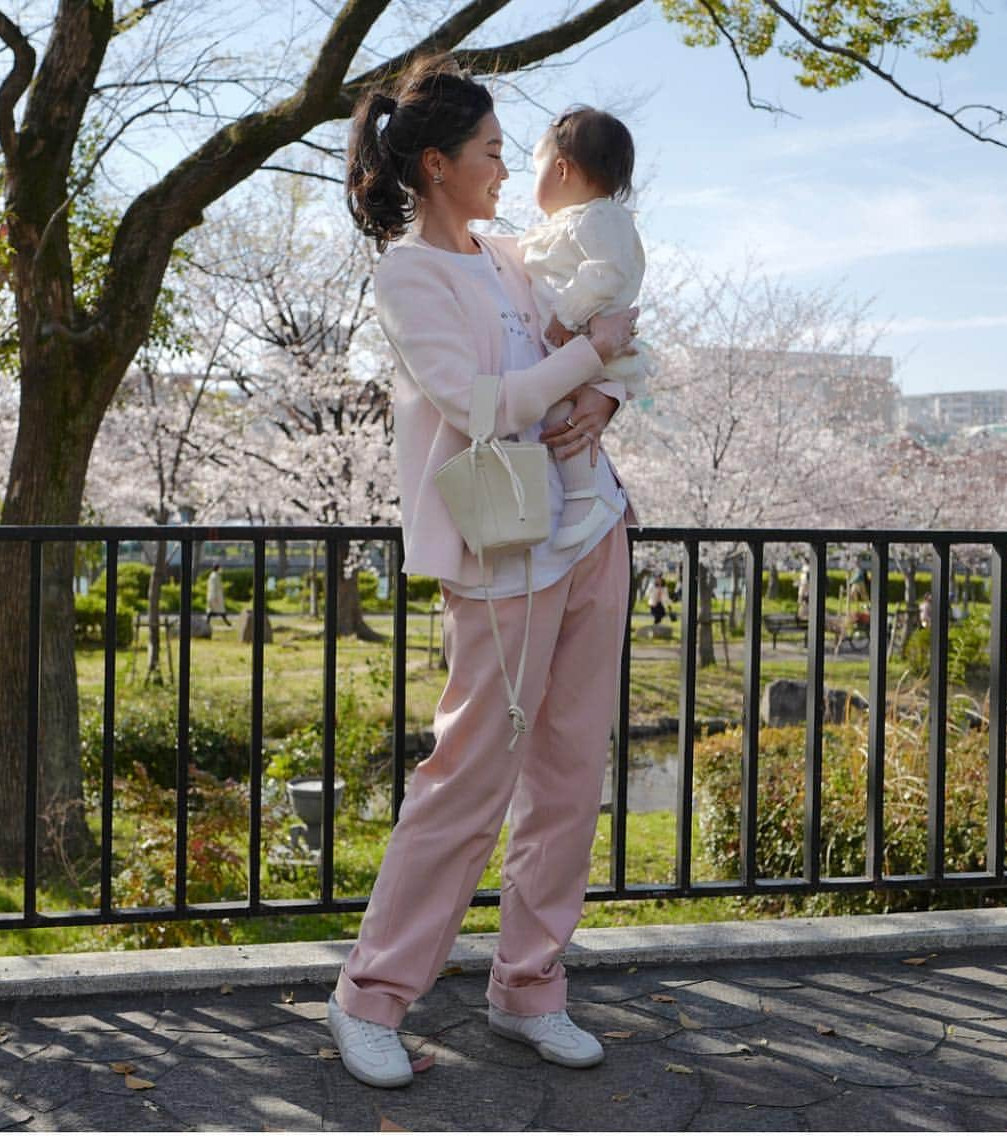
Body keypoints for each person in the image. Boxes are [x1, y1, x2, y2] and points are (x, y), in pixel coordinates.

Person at [331, 56, 637, 1089]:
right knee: (466, 776)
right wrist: (586, 363)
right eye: (493, 153)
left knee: (569, 773)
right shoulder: (408, 273)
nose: (511, 168)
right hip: (503, 550)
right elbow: (477, 400)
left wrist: (607, 397)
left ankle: (529, 986)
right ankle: (372, 992)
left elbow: (611, 333)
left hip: (595, 524)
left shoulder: (512, 254)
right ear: (435, 163)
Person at [518, 108, 653, 549]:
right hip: (581, 350)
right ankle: (585, 496)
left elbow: (606, 274)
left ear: (561, 168)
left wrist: (566, 314)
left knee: (564, 419)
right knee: (562, 416)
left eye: (537, 169)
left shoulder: (597, 219)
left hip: (586, 344)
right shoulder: (580, 224)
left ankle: (585, 497)